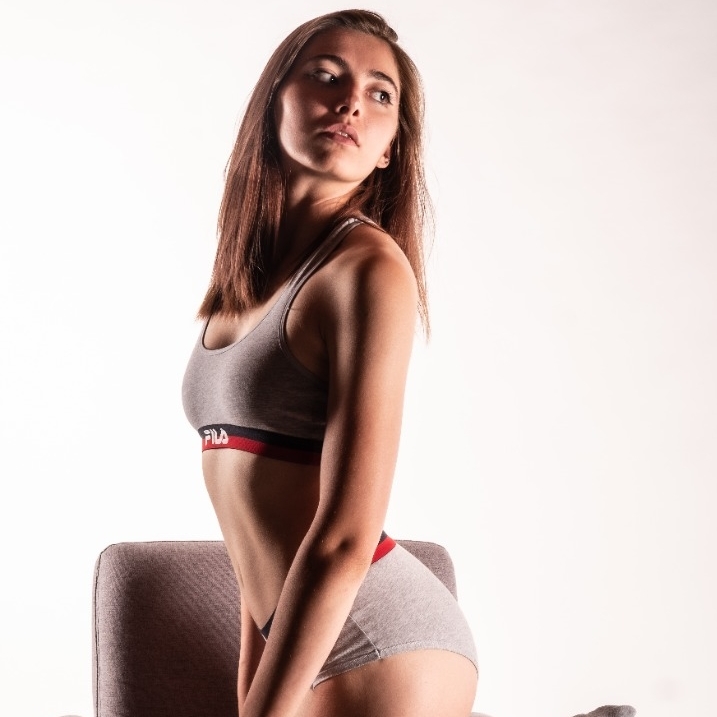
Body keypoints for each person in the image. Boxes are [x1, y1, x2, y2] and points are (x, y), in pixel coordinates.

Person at [182, 9, 478, 717]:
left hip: (380, 644)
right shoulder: (247, 281)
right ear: (273, 102)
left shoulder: (366, 268)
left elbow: (345, 536)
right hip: (298, 639)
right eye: (326, 77)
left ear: (389, 148)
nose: (351, 104)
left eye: (380, 94)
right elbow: (254, 539)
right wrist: (251, 692)